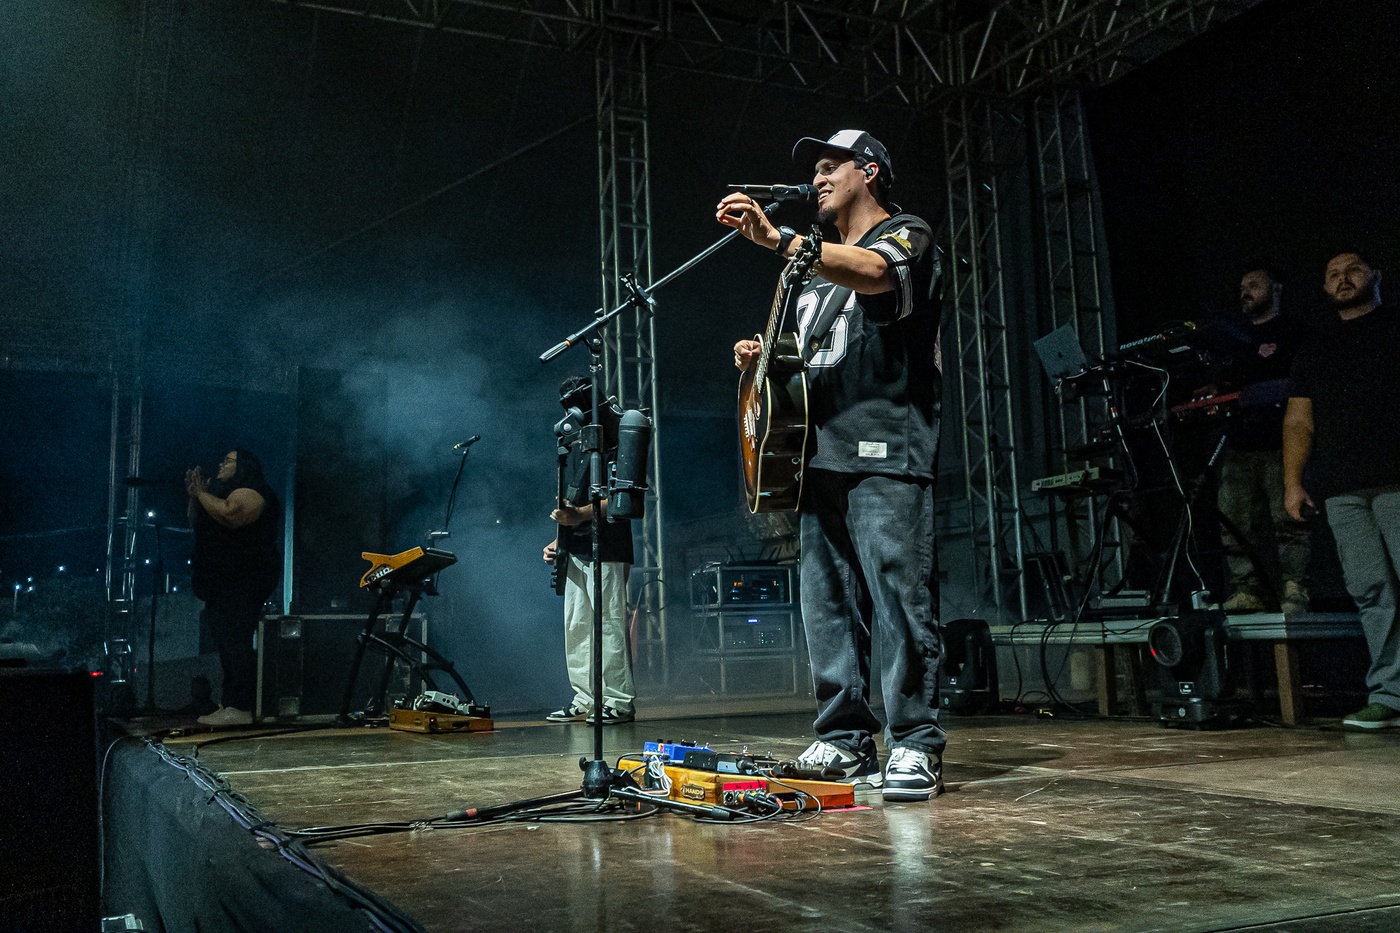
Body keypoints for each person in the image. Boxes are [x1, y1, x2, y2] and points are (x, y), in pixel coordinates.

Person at [720, 129, 945, 801]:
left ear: (868, 171)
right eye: (814, 170)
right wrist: (763, 358)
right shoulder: (808, 268)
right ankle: (845, 739)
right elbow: (806, 354)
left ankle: (915, 742)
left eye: (830, 166)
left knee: (900, 598)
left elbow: (876, 275)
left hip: (885, 446)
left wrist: (781, 241)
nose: (817, 179)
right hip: (816, 454)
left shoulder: (906, 234)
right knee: (827, 604)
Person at [1284, 251, 1400, 729]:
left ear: (1375, 276)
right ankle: (1391, 694)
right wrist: (1293, 483)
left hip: (1396, 479)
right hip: (1343, 491)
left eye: (1352, 269)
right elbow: (1299, 421)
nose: (1342, 278)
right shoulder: (1315, 349)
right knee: (1371, 591)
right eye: (1332, 273)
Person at [1209, 265, 1310, 614]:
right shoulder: (1235, 338)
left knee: (1290, 521)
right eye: (1242, 286)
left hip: (1283, 442)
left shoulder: (1294, 331)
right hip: (1240, 444)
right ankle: (1247, 588)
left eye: (1253, 284)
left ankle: (1295, 589)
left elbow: (1302, 384)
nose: (1245, 291)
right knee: (1233, 521)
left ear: (1276, 288)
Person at [541, 376, 637, 725]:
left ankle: (618, 701)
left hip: (608, 546)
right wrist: (560, 539)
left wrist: (578, 516)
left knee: (609, 624)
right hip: (577, 547)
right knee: (578, 625)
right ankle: (586, 697)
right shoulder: (581, 443)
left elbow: (626, 498)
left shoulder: (623, 437)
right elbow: (576, 500)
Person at [186, 450, 283, 727]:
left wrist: (202, 493)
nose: (221, 464)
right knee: (225, 637)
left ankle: (240, 705)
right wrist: (195, 496)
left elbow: (232, 514)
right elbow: (196, 521)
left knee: (235, 637)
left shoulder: (253, 489)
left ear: (244, 466)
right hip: (222, 581)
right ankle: (232, 702)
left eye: (228, 461)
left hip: (245, 577)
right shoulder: (219, 493)